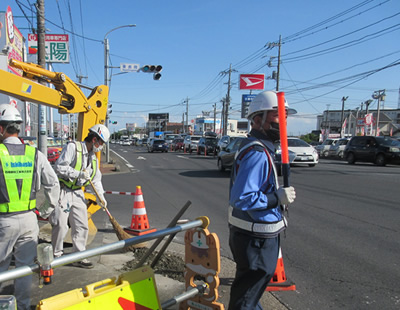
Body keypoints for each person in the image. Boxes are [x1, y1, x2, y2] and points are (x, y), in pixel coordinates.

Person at [228, 91, 297, 310]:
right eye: (277, 115)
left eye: (285, 116)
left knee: (250, 294)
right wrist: (276, 198)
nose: (283, 121)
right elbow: (242, 198)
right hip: (254, 239)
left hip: (254, 236)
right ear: (257, 120)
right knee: (245, 299)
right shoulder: (257, 152)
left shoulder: (263, 149)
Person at [0, 104, 60, 310]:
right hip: (29, 220)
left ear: (1, 129)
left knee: (1, 267)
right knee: (24, 269)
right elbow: (53, 184)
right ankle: (23, 306)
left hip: (3, 222)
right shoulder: (34, 154)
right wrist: (44, 211)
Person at [50, 124, 110, 268]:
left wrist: (101, 198)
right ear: (94, 139)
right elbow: (59, 167)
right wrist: (78, 174)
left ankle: (79, 255)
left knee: (82, 225)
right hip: (63, 191)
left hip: (77, 192)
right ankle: (56, 255)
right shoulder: (73, 148)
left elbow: (96, 180)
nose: (101, 146)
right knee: (60, 224)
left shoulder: (93, 159)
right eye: (101, 143)